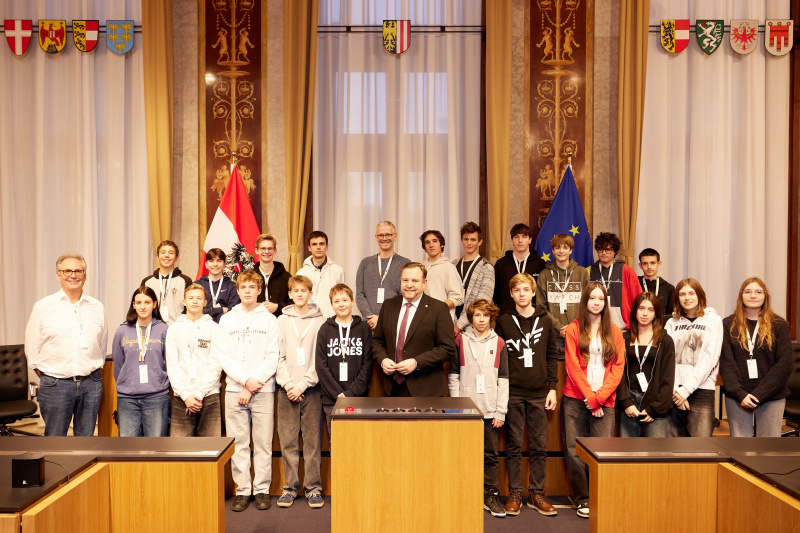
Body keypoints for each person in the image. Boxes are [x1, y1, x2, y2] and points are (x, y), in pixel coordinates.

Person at [494, 274, 559, 517]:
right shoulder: (504, 321)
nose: (522, 294)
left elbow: (552, 355)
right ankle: (515, 493)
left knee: (539, 445)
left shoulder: (545, 320)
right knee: (513, 445)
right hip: (512, 393)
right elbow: (499, 360)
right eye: (517, 290)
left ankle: (537, 493)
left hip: (539, 393)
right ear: (511, 294)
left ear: (533, 292)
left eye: (526, 289)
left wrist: (552, 387)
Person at [215, 270, 280, 512]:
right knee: (239, 443)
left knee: (262, 443)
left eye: (253, 287)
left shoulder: (270, 320)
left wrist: (253, 384)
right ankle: (242, 490)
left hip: (263, 390)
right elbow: (224, 356)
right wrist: (244, 382)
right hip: (234, 390)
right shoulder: (227, 320)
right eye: (244, 287)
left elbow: (272, 356)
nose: (248, 291)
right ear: (238, 290)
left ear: (259, 290)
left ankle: (262, 489)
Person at [25, 253, 107, 436]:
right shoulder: (43, 307)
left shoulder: (97, 307)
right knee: (55, 441)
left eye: (78, 270)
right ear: (58, 275)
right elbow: (32, 348)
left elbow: (101, 345)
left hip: (91, 384)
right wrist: (49, 375)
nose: (73, 275)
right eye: (67, 270)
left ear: (85, 275)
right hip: (55, 385)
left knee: (86, 441)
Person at [561, 283, 624, 519]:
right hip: (576, 398)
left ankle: (599, 495)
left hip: (604, 400)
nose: (596, 302)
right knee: (574, 449)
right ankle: (583, 498)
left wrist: (599, 398)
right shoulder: (574, 329)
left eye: (601, 299)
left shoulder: (615, 331)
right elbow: (573, 367)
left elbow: (618, 368)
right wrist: (590, 397)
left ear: (605, 303)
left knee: (601, 451)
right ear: (585, 301)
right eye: (592, 298)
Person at [448, 299, 509, 518]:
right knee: (463, 454)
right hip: (465, 412)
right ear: (471, 318)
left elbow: (503, 379)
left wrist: (500, 411)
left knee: (490, 455)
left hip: (490, 411)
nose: (481, 320)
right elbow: (453, 375)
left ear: (491, 317)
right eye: (477, 316)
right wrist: (457, 407)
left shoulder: (499, 342)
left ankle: (489, 494)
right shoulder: (460, 340)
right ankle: (464, 492)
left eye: (485, 315)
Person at [276, 275, 326, 509]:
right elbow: (278, 356)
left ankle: (314, 488)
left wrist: (303, 384)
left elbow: (320, 360)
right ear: (290, 294)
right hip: (286, 391)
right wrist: (288, 385)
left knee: (312, 442)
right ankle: (289, 488)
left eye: (303, 290)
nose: (299, 294)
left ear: (310, 293)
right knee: (288, 442)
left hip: (312, 390)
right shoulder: (282, 321)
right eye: (295, 291)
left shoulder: (321, 321)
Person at [720, 277, 793, 437]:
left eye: (758, 292)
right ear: (741, 296)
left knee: (768, 449)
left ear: (765, 296)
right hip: (738, 396)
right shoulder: (727, 324)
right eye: (748, 291)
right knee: (740, 448)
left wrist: (759, 394)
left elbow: (785, 364)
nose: (753, 295)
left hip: (772, 395)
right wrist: (741, 394)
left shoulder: (779, 325)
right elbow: (726, 363)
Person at [372, 262, 457, 397]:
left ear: (424, 283)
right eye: (405, 280)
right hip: (393, 388)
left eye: (415, 281)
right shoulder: (388, 306)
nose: (409, 285)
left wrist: (417, 362)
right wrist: (383, 360)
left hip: (426, 391)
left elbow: (448, 348)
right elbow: (377, 341)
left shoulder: (438, 309)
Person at [664, 278, 723, 438]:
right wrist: (677, 390)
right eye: (682, 294)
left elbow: (711, 357)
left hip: (702, 390)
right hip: (674, 392)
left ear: (699, 296)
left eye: (691, 293)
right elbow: (666, 358)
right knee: (673, 448)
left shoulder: (714, 320)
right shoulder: (671, 323)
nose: (687, 297)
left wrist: (686, 390)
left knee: (700, 448)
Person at [166, 284, 224, 437]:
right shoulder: (174, 329)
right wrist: (186, 395)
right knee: (180, 451)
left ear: (205, 302)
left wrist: (199, 394)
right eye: (191, 298)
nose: (195, 302)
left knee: (211, 450)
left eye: (199, 298)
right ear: (184, 301)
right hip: (181, 397)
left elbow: (216, 365)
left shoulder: (214, 328)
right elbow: (172, 365)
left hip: (209, 395)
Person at [315, 284, 373, 436]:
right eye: (337, 301)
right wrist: (338, 395)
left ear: (352, 301)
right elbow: (321, 366)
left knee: (358, 442)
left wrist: (350, 394)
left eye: (345, 300)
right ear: (332, 305)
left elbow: (367, 365)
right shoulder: (324, 329)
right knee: (336, 443)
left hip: (357, 397)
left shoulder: (363, 328)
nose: (341, 304)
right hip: (331, 400)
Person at [112, 287, 170, 437]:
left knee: (155, 448)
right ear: (133, 305)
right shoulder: (121, 331)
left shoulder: (164, 330)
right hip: (127, 399)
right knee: (128, 448)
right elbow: (118, 365)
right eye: (139, 302)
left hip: (157, 397)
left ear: (155, 304)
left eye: (147, 302)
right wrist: (126, 383)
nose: (143, 306)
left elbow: (169, 363)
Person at [616, 292, 675, 438]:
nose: (645, 313)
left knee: (656, 455)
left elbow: (668, 379)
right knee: (628, 455)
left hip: (655, 404)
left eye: (650, 310)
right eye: (641, 308)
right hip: (629, 402)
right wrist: (626, 403)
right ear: (635, 310)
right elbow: (619, 373)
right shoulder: (624, 338)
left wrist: (655, 409)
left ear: (656, 314)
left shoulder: (665, 340)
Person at [535, 233, 589, 353]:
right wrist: (559, 326)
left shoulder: (582, 272)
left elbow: (587, 304)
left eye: (565, 247)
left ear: (571, 250)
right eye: (557, 248)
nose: (561, 251)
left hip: (578, 333)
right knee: (556, 371)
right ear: (553, 251)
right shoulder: (544, 275)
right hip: (553, 334)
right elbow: (540, 307)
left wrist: (573, 326)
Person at [355, 221, 410, 329]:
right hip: (369, 324)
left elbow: (406, 296)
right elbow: (360, 294)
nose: (384, 238)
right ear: (376, 237)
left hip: (395, 324)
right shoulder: (365, 263)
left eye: (388, 234)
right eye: (381, 235)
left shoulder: (405, 264)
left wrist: (382, 318)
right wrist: (370, 318)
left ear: (395, 236)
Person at [588, 232, 642, 330]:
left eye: (608, 250)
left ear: (615, 251)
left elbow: (638, 300)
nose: (604, 253)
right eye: (601, 249)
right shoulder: (588, 271)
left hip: (622, 328)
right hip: (594, 327)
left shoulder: (626, 270)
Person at [493, 223, 546, 316]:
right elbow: (496, 293)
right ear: (512, 240)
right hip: (507, 315)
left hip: (533, 317)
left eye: (524, 237)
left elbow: (543, 293)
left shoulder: (540, 264)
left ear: (530, 240)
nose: (520, 241)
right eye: (516, 237)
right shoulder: (501, 264)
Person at [452, 221, 495, 332]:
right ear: (462, 241)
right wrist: (452, 324)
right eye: (466, 239)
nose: (469, 243)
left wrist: (459, 325)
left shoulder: (487, 267)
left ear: (480, 242)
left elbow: (482, 302)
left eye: (473, 240)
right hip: (451, 325)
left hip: (474, 327)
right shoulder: (453, 265)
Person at [140, 240, 193, 325]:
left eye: (171, 253)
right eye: (163, 252)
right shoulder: (147, 282)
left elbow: (189, 308)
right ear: (157, 256)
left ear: (176, 257)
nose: (166, 255)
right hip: (153, 328)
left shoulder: (185, 280)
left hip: (178, 328)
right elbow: (142, 306)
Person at [296, 231, 346, 318]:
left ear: (327, 246)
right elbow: (298, 300)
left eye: (321, 244)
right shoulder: (301, 273)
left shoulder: (338, 271)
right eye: (314, 244)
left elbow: (342, 298)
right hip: (309, 319)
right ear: (309, 248)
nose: (318, 247)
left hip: (332, 319)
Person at [420, 229, 464, 323]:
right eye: (427, 242)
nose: (431, 245)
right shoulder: (420, 268)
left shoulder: (448, 267)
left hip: (441, 320)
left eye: (435, 241)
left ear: (442, 244)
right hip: (421, 320)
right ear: (424, 247)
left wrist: (436, 309)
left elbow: (458, 297)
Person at [195, 247, 239, 323]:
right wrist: (220, 310)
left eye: (219, 261)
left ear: (224, 264)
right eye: (211, 261)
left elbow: (233, 312)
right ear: (206, 264)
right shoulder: (197, 285)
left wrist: (207, 311)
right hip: (201, 327)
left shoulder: (232, 286)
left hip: (224, 327)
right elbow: (194, 311)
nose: (215, 264)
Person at [252, 233, 291, 317]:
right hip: (254, 323)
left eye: (270, 248)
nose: (266, 252)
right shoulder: (249, 277)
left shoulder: (286, 277)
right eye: (263, 248)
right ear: (256, 251)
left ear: (275, 251)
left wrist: (278, 306)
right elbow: (242, 301)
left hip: (280, 323)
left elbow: (294, 304)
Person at [637, 248, 674, 317]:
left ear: (659, 264)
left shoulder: (669, 288)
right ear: (640, 266)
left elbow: (670, 315)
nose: (649, 267)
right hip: (638, 326)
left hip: (661, 326)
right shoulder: (635, 284)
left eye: (652, 263)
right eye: (645, 263)